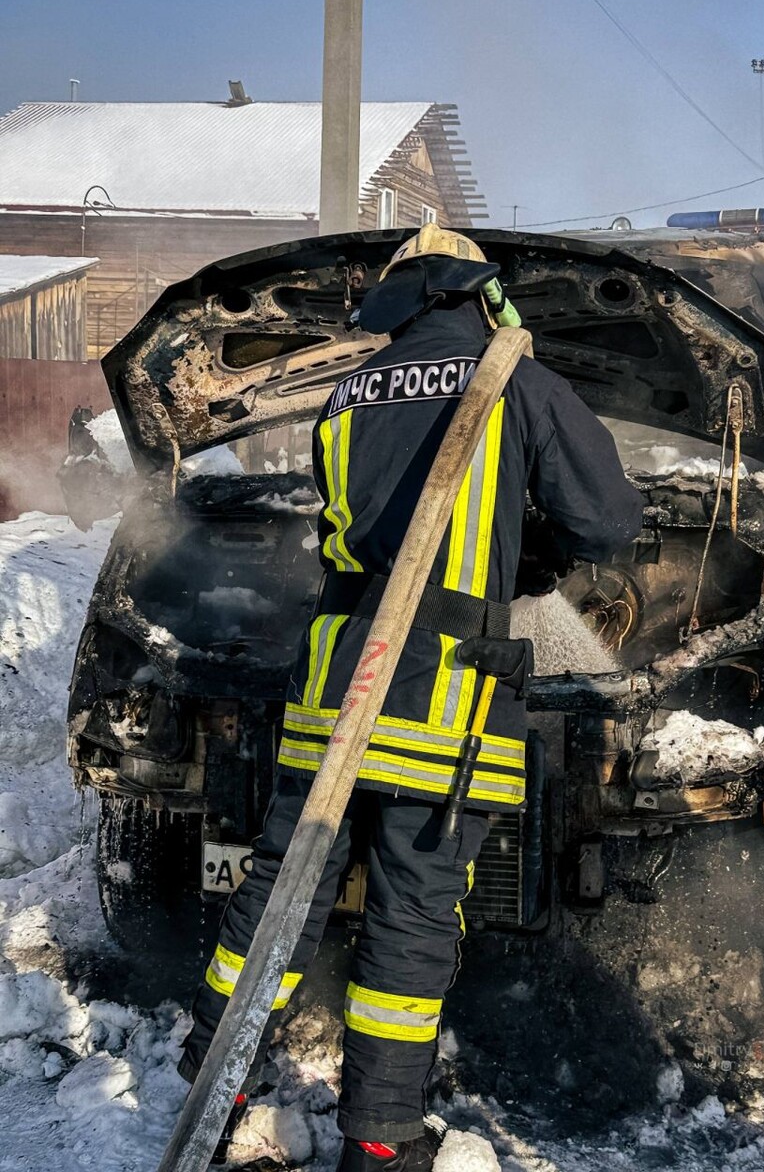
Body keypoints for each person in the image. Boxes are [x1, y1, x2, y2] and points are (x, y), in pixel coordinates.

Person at [177, 224, 644, 1170]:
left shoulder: (345, 394)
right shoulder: (514, 379)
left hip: (334, 684)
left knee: (283, 888)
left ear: (398, 301)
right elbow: (610, 520)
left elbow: (353, 531)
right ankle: (382, 1140)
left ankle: (211, 1072)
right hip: (446, 702)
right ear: (483, 296)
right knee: (412, 912)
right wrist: (531, 551)